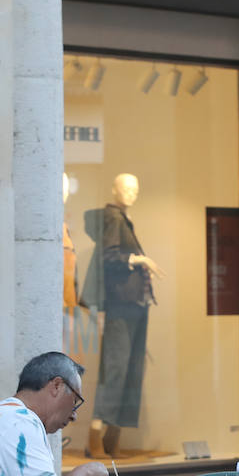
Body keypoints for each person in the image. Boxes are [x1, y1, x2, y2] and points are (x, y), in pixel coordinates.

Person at [85, 173, 163, 458]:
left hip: (134, 306)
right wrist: (138, 259)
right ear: (113, 189)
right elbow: (110, 256)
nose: (131, 193)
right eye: (126, 188)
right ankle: (95, 438)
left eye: (135, 189)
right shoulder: (114, 218)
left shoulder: (122, 219)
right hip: (122, 306)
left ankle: (111, 439)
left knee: (130, 371)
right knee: (116, 369)